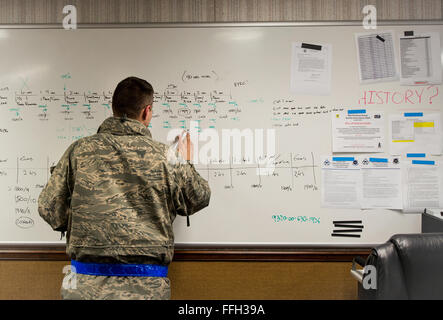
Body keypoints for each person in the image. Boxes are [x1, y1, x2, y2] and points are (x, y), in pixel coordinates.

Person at [38, 76, 211, 300]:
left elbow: (49, 209)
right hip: (147, 289)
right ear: (147, 111)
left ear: (113, 108)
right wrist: (185, 160)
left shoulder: (78, 151)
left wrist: (78, 219)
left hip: (84, 286)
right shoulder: (167, 156)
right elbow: (198, 198)